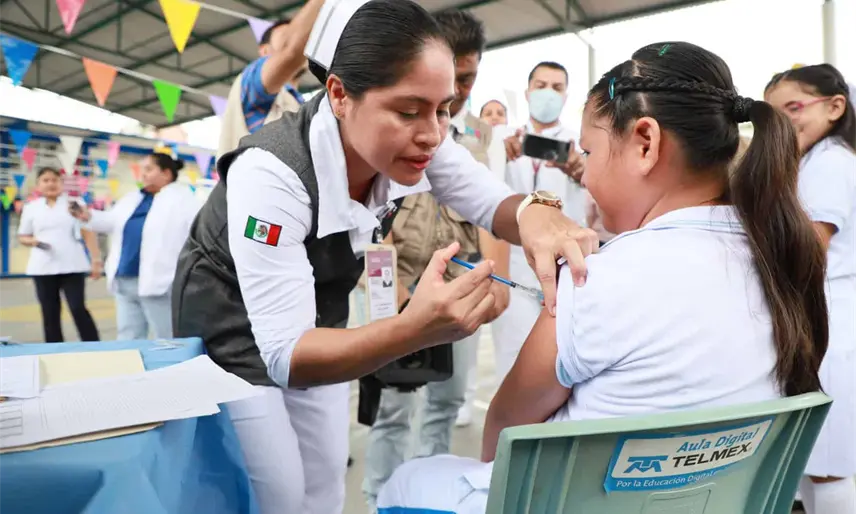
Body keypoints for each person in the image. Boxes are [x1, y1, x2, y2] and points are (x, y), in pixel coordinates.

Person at [171, 1, 597, 513]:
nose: (433, 134)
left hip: (316, 313)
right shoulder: (271, 174)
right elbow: (285, 356)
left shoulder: (414, 139)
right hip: (232, 330)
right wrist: (415, 329)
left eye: (442, 109)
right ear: (339, 94)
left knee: (326, 477)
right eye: (409, 110)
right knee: (277, 491)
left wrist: (537, 213)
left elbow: (486, 199)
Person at [377, 41, 830, 513]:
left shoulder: (596, 278)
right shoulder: (784, 261)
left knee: (408, 482)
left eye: (589, 151)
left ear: (645, 143)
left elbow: (506, 435)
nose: (587, 174)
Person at [361, 10, 510, 511]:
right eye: (454, 75)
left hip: (457, 284)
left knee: (446, 401)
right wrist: (392, 295)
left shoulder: (474, 143)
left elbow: (488, 215)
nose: (462, 89)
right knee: (394, 404)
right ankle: (380, 497)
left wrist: (498, 281)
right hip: (399, 285)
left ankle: (429, 498)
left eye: (470, 77)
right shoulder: (392, 130)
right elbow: (368, 221)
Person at [765, 63, 856, 514]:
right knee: (816, 458)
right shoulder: (813, 161)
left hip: (831, 321)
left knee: (828, 463)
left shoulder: (830, 162)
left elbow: (809, 249)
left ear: (835, 107)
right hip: (821, 318)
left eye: (794, 108)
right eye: (772, 115)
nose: (784, 123)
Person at [491, 61, 587, 384]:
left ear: (566, 95)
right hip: (515, 268)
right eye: (541, 86)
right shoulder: (504, 139)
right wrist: (497, 155)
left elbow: (600, 192)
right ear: (527, 91)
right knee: (514, 365)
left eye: (557, 88)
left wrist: (579, 168)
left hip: (567, 269)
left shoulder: (579, 144)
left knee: (563, 368)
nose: (548, 93)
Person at [70, 150, 198, 340]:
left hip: (160, 281)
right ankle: (133, 368)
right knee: (128, 335)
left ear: (166, 173)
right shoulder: (132, 199)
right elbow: (110, 221)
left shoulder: (183, 201)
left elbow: (196, 235)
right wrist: (87, 216)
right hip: (125, 279)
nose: (143, 174)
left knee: (167, 337)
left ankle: (171, 368)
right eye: (142, 169)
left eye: (149, 169)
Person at [217, 0, 325, 157]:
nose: (304, 41)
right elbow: (291, 51)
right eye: (285, 36)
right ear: (264, 50)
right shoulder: (250, 81)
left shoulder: (303, 105)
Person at [17, 167, 101, 342]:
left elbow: (88, 232)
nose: (50, 184)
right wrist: (33, 241)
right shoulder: (31, 208)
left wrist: (96, 260)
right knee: (49, 312)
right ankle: (53, 350)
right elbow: (23, 236)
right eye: (45, 180)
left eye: (54, 180)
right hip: (43, 267)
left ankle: (93, 345)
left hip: (73, 265)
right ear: (38, 185)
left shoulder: (74, 203)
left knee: (78, 308)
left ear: (61, 183)